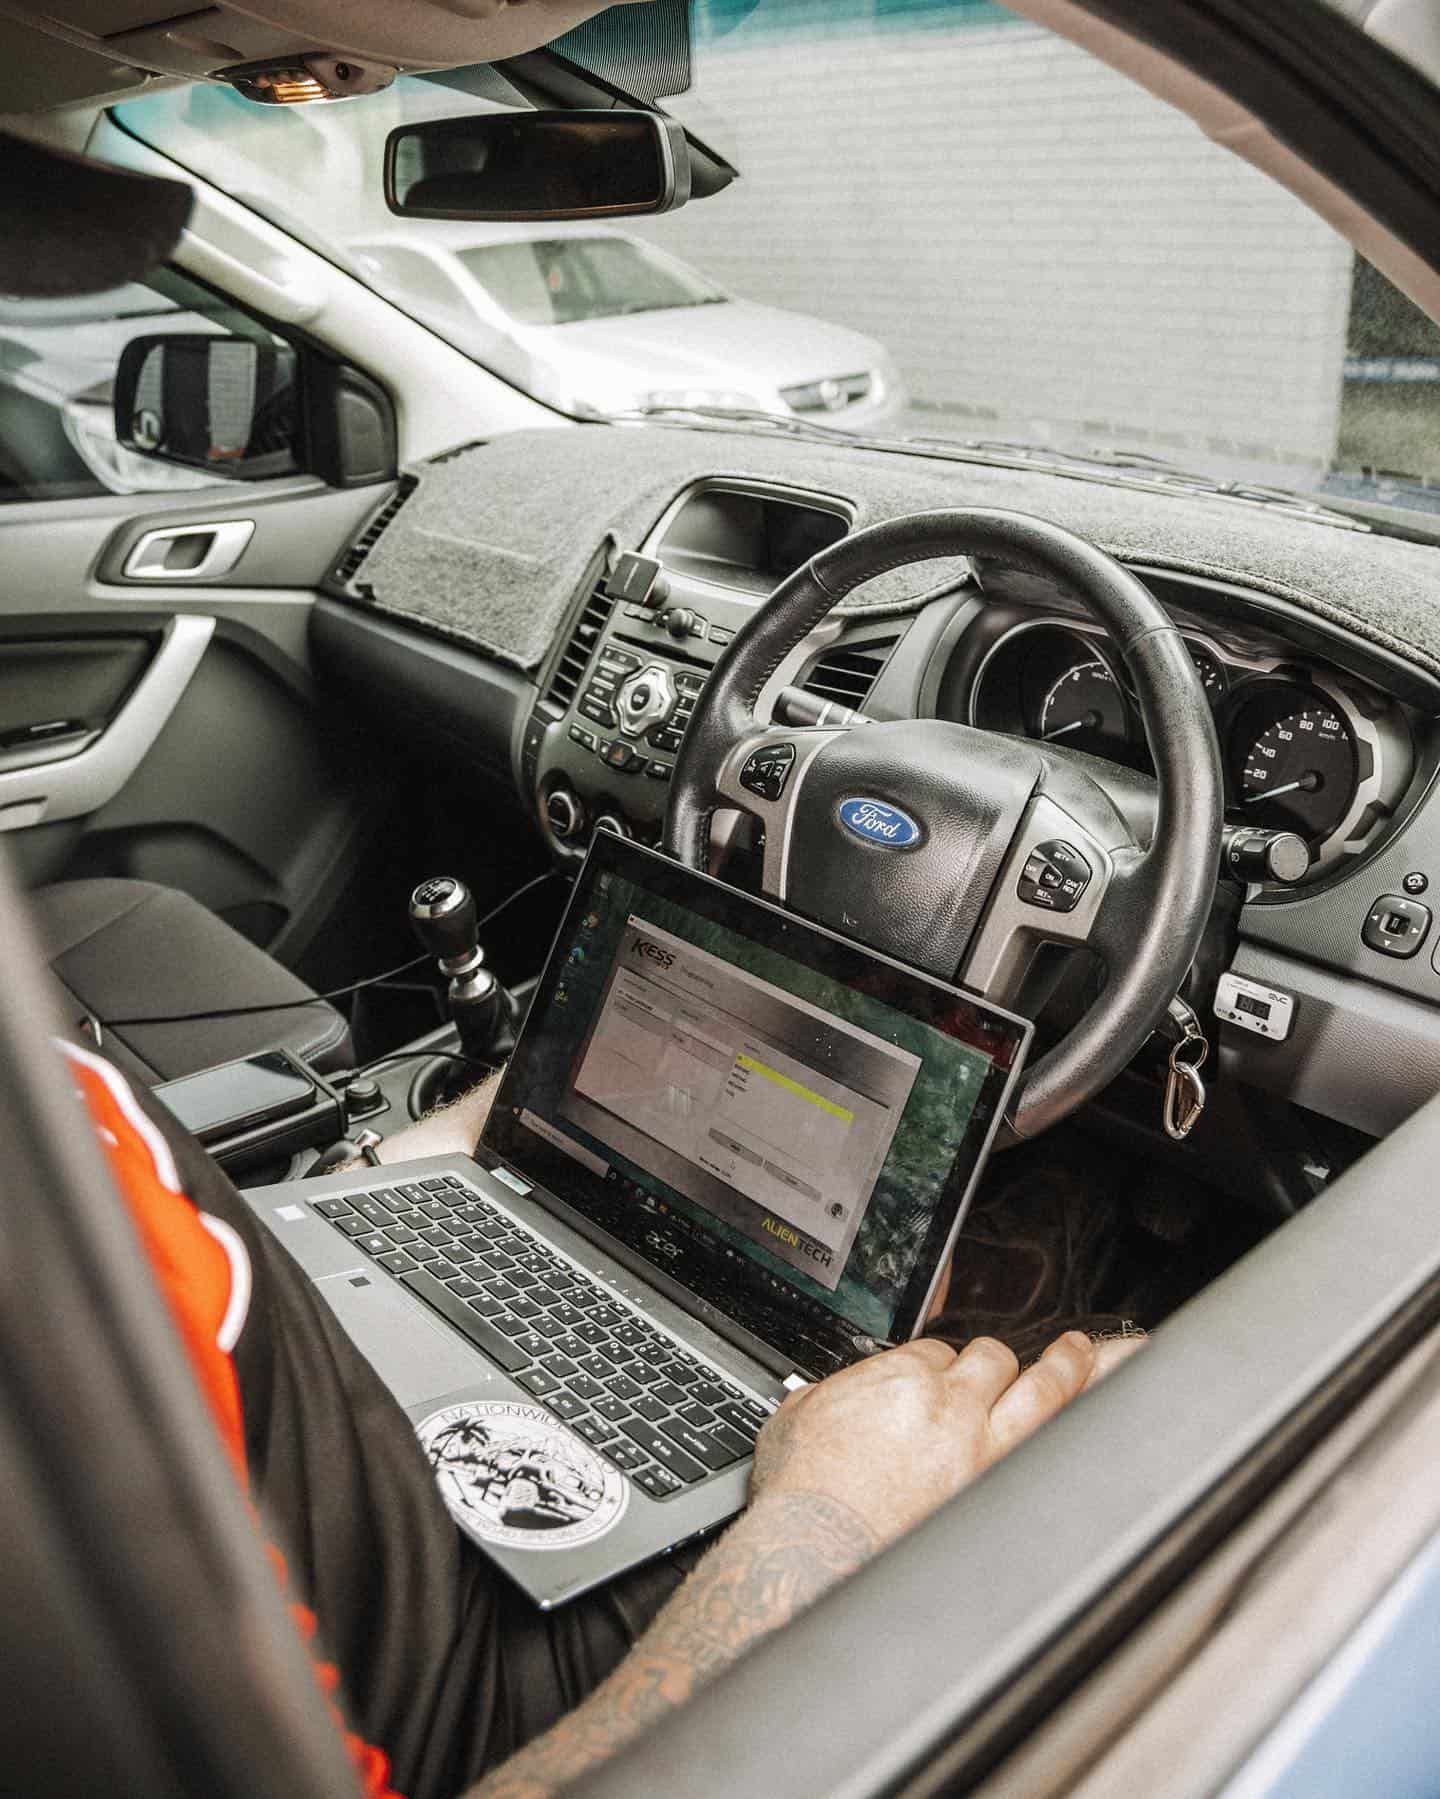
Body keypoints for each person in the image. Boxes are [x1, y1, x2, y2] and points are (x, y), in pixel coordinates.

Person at [67, 1039, 1139, 1799]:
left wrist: (403, 1179)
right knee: (1118, 1373)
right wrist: (828, 1512)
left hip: (295, 1442)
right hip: (448, 1695)